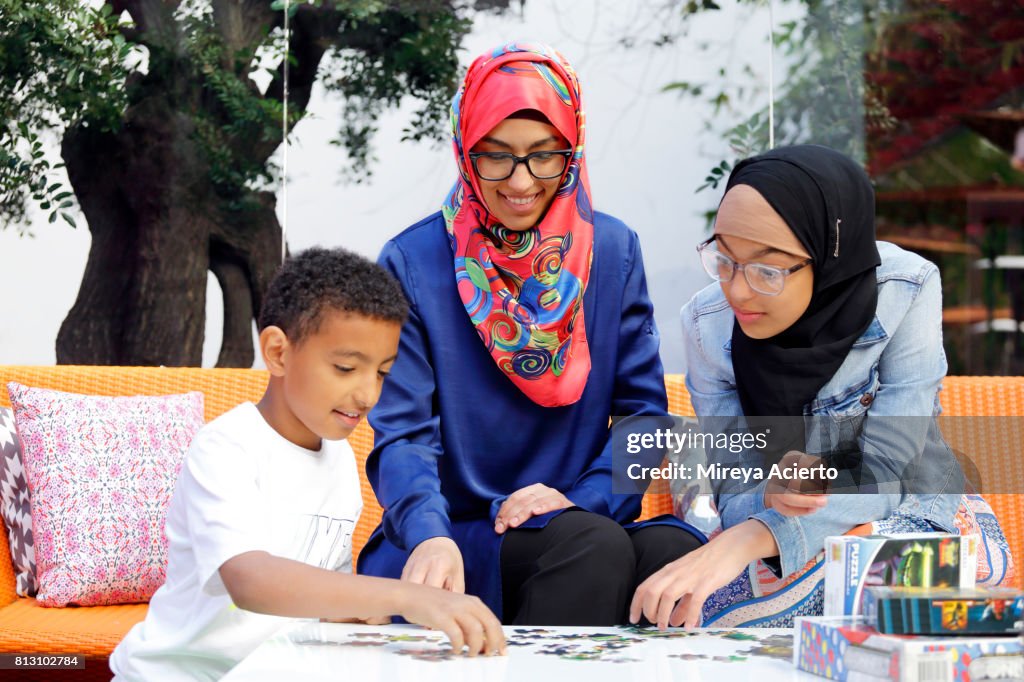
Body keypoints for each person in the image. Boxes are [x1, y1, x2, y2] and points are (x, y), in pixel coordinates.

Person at [358, 43, 704, 625]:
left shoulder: (612, 252)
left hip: (579, 517)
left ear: (572, 153)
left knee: (672, 556)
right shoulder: (414, 261)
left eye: (545, 156)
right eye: (496, 157)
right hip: (461, 532)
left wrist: (585, 498)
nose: (521, 181)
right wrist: (426, 532)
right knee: (591, 547)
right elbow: (402, 434)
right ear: (465, 151)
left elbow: (644, 417)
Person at [111, 248, 505, 681]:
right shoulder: (226, 447)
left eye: (382, 373)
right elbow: (250, 580)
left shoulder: (337, 456)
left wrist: (356, 615)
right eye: (345, 367)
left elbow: (321, 600)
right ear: (279, 353)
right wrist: (405, 597)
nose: (368, 395)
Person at [630, 144, 964, 629]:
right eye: (724, 260)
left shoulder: (906, 290)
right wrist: (769, 497)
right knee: (699, 610)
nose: (738, 290)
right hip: (774, 531)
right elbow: (733, 483)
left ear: (828, 258)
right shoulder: (708, 325)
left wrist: (751, 537)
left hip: (910, 513)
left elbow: (891, 468)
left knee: (889, 591)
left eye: (768, 270)